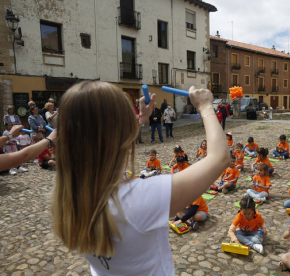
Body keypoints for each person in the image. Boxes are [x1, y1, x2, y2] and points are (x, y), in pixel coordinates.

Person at [51, 81, 230, 275]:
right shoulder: (139, 197)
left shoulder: (67, 192)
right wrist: (205, 107)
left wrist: (140, 119)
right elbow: (219, 157)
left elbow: (98, 142)